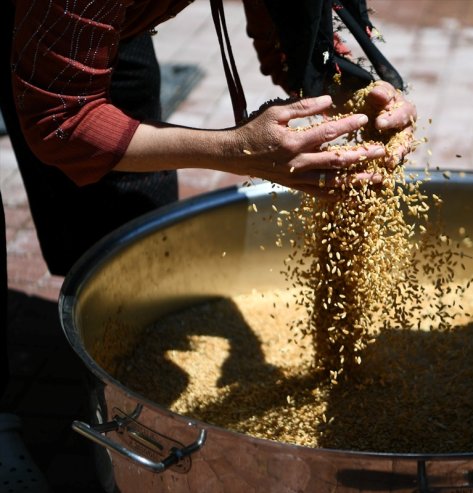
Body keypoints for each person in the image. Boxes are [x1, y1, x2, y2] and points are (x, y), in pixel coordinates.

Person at [0, 0, 416, 483]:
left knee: (126, 211)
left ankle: (112, 371)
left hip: (110, 21)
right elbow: (60, 120)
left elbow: (302, 25)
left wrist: (361, 84)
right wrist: (232, 148)